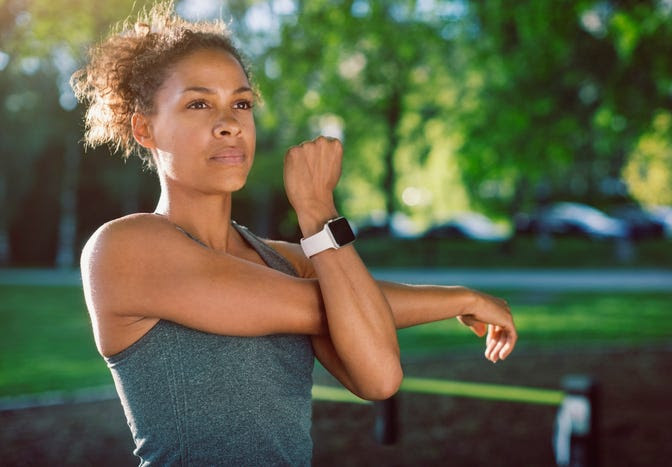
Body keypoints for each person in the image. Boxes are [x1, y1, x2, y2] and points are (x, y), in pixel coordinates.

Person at [72, 2, 517, 465]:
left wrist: (465, 298)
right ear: (144, 128)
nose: (229, 124)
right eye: (198, 103)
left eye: (241, 103)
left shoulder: (287, 263)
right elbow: (327, 306)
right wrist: (317, 210)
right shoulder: (125, 249)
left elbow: (379, 376)